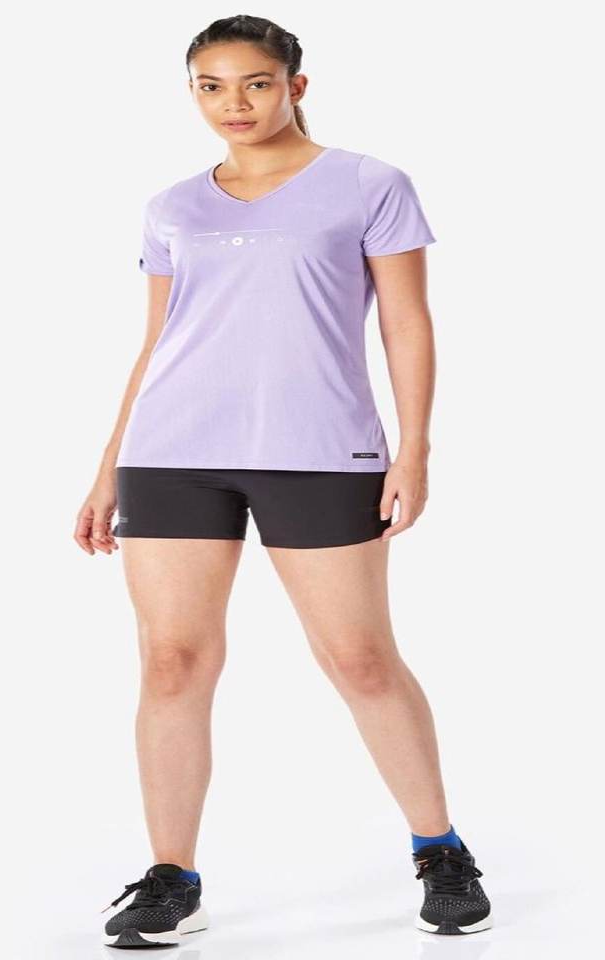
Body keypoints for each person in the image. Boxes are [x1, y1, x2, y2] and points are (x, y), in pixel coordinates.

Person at [74, 14, 492, 947]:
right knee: (172, 660)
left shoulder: (370, 185)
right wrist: (107, 467)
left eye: (256, 83)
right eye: (211, 86)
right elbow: (158, 342)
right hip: (172, 453)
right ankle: (172, 876)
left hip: (321, 449)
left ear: (295, 85)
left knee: (359, 657)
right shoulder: (172, 206)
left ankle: (440, 849)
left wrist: (414, 450)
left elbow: (407, 323)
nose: (234, 103)